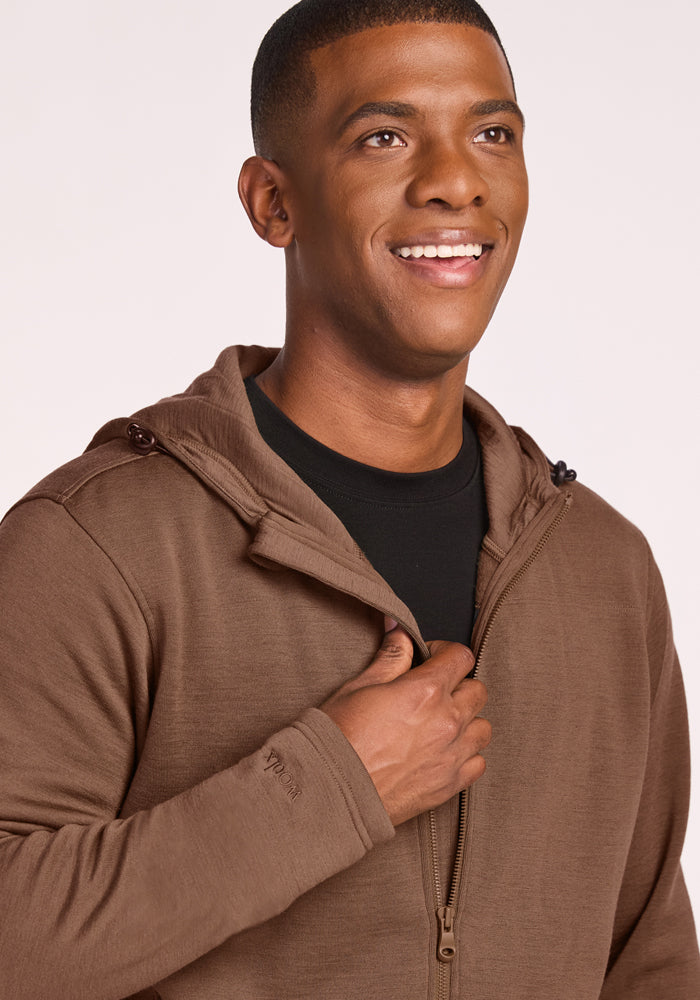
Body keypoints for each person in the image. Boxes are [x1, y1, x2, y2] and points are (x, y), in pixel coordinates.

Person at [0, 0, 697, 997]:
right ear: (272, 202)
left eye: (493, 134)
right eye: (384, 136)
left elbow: (648, 956)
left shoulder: (602, 568)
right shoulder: (98, 544)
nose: (456, 180)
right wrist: (330, 787)